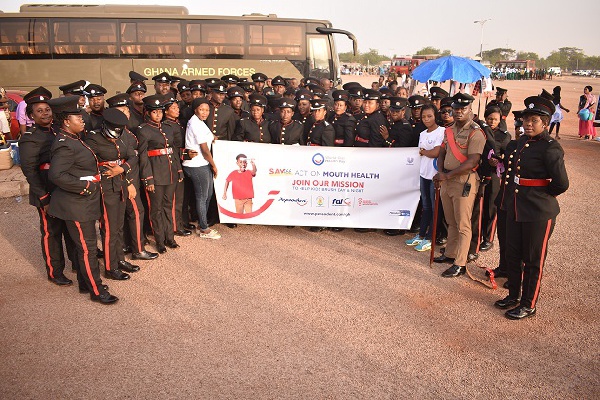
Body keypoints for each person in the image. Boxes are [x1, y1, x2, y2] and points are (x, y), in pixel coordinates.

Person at [494, 95, 569, 319]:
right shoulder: (520, 144)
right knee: (513, 254)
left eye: (534, 120)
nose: (528, 123)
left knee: (533, 259)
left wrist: (541, 196)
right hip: (516, 207)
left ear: (546, 123)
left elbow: (561, 183)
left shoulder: (550, 148)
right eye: (526, 119)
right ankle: (514, 295)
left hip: (538, 211)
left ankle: (529, 303)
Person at [47, 96, 117, 304]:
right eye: (78, 117)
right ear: (66, 121)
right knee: (88, 248)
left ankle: (85, 283)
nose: (83, 120)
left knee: (83, 247)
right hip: (76, 204)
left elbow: (79, 167)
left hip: (82, 203)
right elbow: (57, 175)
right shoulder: (64, 144)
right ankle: (96, 290)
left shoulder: (73, 139)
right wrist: (86, 186)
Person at [19, 87, 76, 285]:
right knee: (52, 232)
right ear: (31, 115)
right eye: (39, 111)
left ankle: (76, 263)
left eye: (47, 109)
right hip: (46, 191)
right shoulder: (29, 138)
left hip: (63, 189)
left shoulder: (59, 130)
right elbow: (30, 171)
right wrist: (43, 197)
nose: (45, 113)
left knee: (70, 228)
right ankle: (55, 272)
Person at [433, 93, 486, 278]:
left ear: (470, 109)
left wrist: (447, 175)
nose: (458, 112)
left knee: (463, 224)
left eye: (463, 109)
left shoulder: (476, 132)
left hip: (464, 181)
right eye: (456, 109)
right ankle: (450, 253)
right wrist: (440, 172)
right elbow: (441, 152)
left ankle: (460, 262)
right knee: (451, 221)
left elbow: (472, 162)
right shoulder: (449, 129)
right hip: (447, 180)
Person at [84, 108, 140, 280]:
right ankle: (110, 267)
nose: (115, 136)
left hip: (120, 183)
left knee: (119, 226)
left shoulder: (122, 136)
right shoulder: (93, 138)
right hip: (105, 187)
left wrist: (122, 169)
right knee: (109, 228)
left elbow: (132, 157)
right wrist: (108, 169)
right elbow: (88, 163)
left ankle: (119, 260)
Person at [105, 93, 158, 261]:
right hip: (125, 182)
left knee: (131, 215)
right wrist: (129, 182)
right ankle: (138, 249)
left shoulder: (128, 132)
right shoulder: (116, 134)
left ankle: (131, 245)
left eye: (126, 110)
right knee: (135, 213)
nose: (126, 114)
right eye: (121, 111)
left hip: (133, 179)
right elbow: (118, 162)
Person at [138, 94, 184, 254]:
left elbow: (173, 150)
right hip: (155, 175)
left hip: (170, 173)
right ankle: (160, 240)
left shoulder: (168, 128)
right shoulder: (143, 131)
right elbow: (143, 156)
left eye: (160, 112)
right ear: (148, 113)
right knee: (156, 209)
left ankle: (169, 237)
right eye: (154, 112)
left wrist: (178, 169)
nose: (158, 115)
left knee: (168, 206)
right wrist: (148, 179)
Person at [405, 104, 445, 252]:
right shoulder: (422, 133)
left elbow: (436, 152)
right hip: (424, 174)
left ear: (436, 116)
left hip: (435, 175)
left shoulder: (442, 132)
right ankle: (421, 235)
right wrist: (424, 151)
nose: (426, 119)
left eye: (430, 116)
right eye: (423, 117)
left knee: (435, 208)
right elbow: (423, 152)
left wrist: (424, 151)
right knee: (426, 206)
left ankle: (430, 237)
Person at [183, 98, 221, 239]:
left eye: (207, 110)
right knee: (202, 197)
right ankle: (204, 229)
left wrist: (214, 138)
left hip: (202, 164)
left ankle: (201, 224)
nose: (205, 112)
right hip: (197, 165)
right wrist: (213, 164)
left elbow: (210, 138)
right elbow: (204, 149)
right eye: (201, 109)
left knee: (208, 194)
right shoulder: (195, 123)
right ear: (195, 110)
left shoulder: (200, 122)